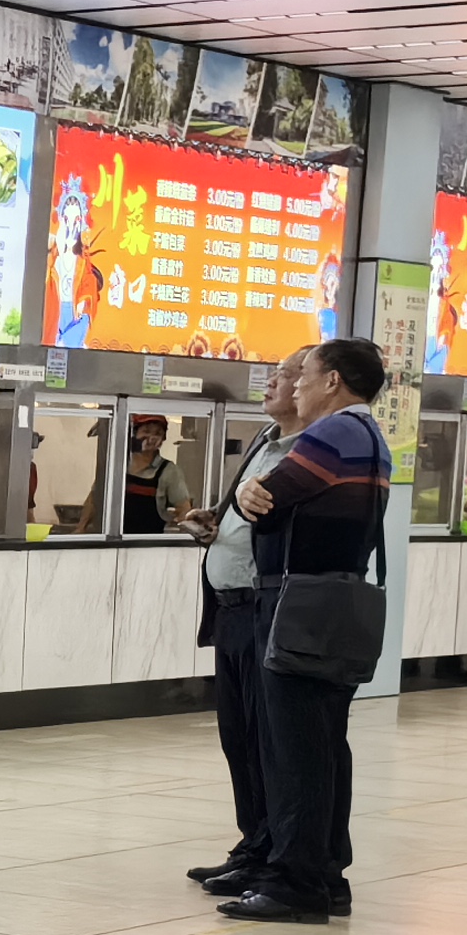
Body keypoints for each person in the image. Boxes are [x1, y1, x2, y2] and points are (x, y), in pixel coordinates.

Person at [220, 335, 390, 923]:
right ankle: (325, 875)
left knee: (295, 751)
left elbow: (265, 501)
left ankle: (296, 882)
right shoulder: (367, 434)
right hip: (331, 606)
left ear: (333, 381)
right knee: (321, 747)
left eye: (305, 375)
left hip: (299, 606)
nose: (296, 387)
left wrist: (248, 493)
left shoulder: (335, 431)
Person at [183, 353, 302, 897]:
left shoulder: (309, 451)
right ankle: (252, 842)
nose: (271, 382)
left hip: (264, 607)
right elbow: (247, 512)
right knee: (237, 737)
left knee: (262, 738)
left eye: (287, 374)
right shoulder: (265, 440)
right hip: (230, 608)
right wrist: (218, 520)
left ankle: (272, 850)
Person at [124, 413, 185, 534]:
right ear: (134, 434)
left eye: (157, 433)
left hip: (151, 542)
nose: (151, 437)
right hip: (116, 538)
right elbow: (94, 500)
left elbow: (184, 508)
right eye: (146, 431)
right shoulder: (118, 464)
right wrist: (84, 528)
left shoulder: (169, 471)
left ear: (163, 440)